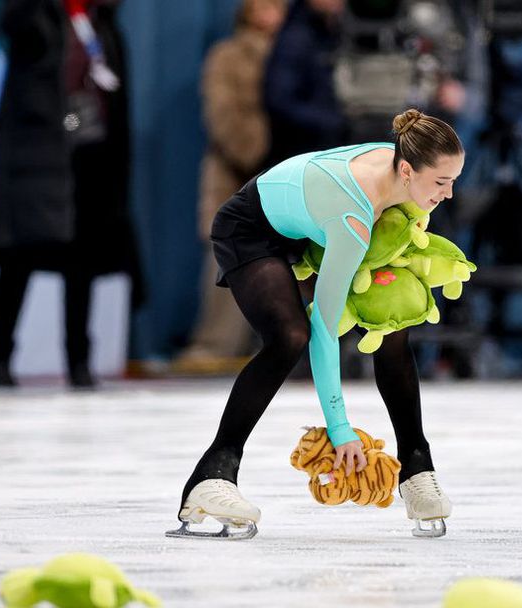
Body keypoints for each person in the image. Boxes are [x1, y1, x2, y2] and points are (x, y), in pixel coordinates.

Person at [169, 109, 464, 540]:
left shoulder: (404, 163)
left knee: (391, 322)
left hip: (309, 222)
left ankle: (417, 467)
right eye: (441, 182)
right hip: (251, 229)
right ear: (406, 171)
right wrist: (339, 429)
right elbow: (324, 331)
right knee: (290, 336)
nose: (449, 193)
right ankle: (212, 474)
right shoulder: (353, 221)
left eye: (453, 180)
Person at [0, 0, 143, 389]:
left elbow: (115, 98)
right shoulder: (37, 18)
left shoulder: (104, 24)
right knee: (18, 261)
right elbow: (14, 27)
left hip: (90, 159)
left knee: (82, 264)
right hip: (39, 161)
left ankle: (79, 362)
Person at [172, 0, 287, 374]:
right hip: (235, 175)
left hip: (282, 176)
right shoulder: (228, 55)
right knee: (229, 261)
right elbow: (221, 114)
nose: (272, 13)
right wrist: (254, 151)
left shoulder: (296, 52)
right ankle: (214, 347)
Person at [263, 0, 349, 165]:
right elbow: (279, 101)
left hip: (328, 153)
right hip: (303, 157)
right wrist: (336, 122)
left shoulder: (333, 32)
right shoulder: (296, 38)